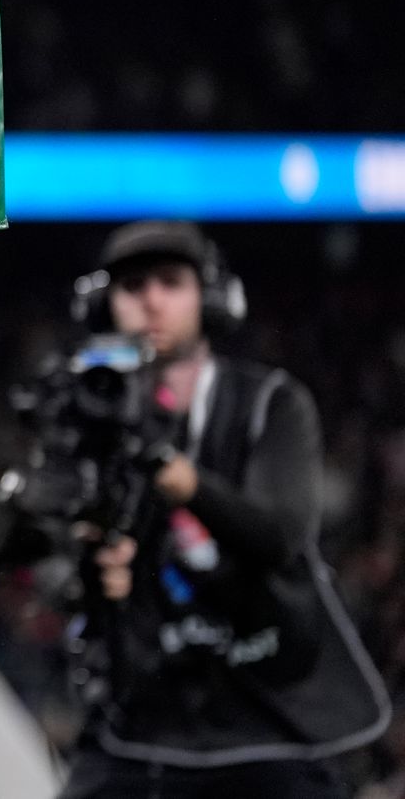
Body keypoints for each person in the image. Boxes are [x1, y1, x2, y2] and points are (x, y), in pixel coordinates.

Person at [63, 221, 390, 799]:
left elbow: (279, 536)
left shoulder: (272, 402)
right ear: (104, 304)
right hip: (143, 722)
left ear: (210, 297)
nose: (152, 299)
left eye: (170, 281)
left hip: (265, 715)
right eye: (133, 285)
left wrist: (177, 475)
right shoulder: (87, 416)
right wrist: (90, 559)